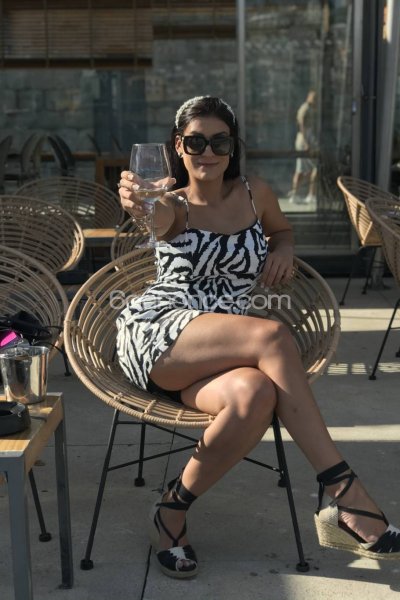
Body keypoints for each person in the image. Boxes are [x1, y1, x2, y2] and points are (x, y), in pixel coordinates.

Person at [117, 96, 400, 579]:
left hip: (226, 347)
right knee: (272, 337)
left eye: (220, 141)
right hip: (162, 333)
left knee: (257, 394)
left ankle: (170, 510)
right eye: (195, 142)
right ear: (178, 147)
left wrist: (283, 248)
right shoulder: (173, 205)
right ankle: (344, 492)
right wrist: (139, 201)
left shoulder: (255, 194)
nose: (208, 152)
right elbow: (153, 217)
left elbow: (281, 230)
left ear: (233, 147)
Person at [289, 90, 318, 204]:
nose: (315, 100)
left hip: (309, 140)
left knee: (312, 168)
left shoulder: (312, 109)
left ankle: (310, 194)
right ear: (309, 97)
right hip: (304, 141)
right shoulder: (304, 108)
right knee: (301, 169)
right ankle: (296, 194)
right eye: (314, 97)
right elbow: (301, 125)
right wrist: (306, 143)